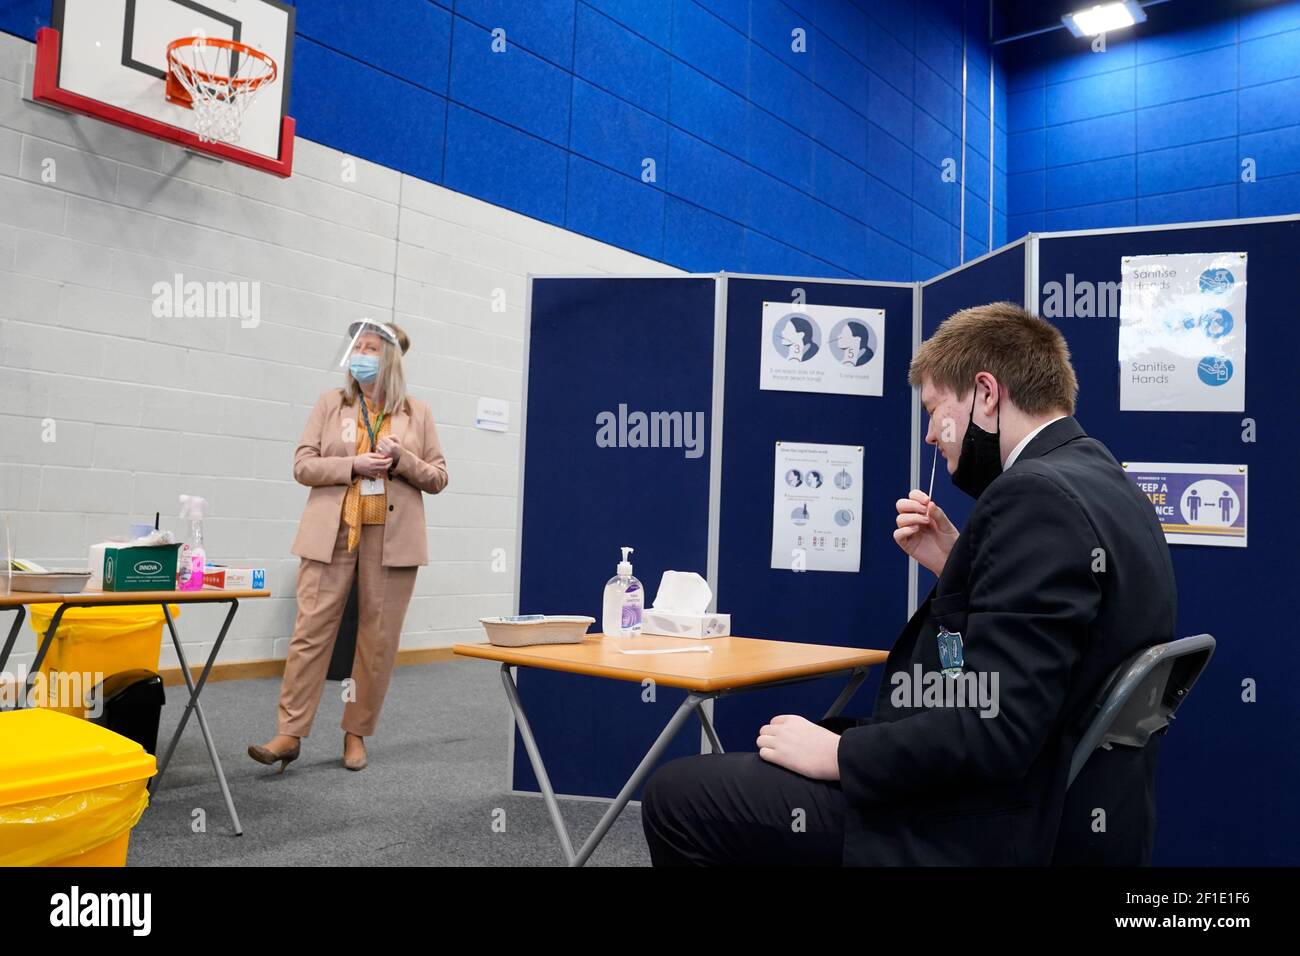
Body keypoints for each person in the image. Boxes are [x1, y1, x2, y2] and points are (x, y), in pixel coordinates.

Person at [641, 302, 1178, 865]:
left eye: (934, 410)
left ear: (987, 394)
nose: (929, 435)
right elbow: (1052, 652)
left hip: (989, 825)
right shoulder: (1105, 481)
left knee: (678, 797)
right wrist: (956, 565)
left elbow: (995, 728)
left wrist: (843, 756)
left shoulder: (1034, 496)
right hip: (1076, 808)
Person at [249, 320, 449, 773]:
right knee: (309, 633)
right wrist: (352, 464)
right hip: (331, 531)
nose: (359, 353)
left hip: (392, 538)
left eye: (370, 347)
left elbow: (438, 477)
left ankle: (355, 732)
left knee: (376, 641)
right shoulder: (330, 404)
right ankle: (289, 733)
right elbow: (303, 466)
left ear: (389, 359)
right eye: (356, 346)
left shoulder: (417, 412)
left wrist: (402, 460)